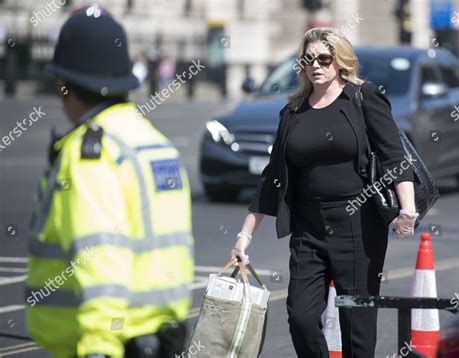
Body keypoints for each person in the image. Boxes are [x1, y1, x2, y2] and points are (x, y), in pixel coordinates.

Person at [231, 27, 418, 358]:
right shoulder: (292, 112)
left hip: (359, 229)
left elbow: (394, 155)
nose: (316, 65)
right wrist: (244, 237)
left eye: (324, 58)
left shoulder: (363, 98)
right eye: (308, 59)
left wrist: (408, 209)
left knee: (356, 330)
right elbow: (273, 176)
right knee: (301, 318)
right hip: (308, 231)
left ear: (340, 61)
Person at [26, 6, 194, 358]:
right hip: (162, 334)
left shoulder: (92, 153)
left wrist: (99, 346)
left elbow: (100, 254)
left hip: (113, 343)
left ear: (64, 85)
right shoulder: (152, 142)